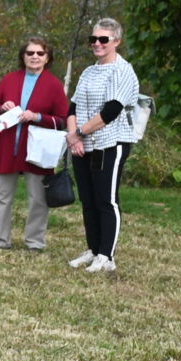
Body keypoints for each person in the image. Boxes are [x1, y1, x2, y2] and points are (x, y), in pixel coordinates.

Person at [67, 19, 141, 273]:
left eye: (103, 39)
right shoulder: (88, 72)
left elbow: (112, 110)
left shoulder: (122, 71)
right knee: (87, 199)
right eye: (93, 39)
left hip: (111, 142)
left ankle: (106, 256)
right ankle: (93, 248)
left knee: (106, 200)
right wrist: (74, 136)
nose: (97, 44)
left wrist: (79, 132)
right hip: (83, 143)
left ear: (116, 42)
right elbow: (73, 106)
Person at [0, 35, 68, 251]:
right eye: (30, 53)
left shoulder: (54, 85)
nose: (34, 57)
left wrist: (38, 117)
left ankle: (35, 242)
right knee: (2, 196)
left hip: (38, 150)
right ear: (23, 56)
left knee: (38, 198)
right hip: (7, 147)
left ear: (47, 57)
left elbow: (62, 120)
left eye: (39, 53)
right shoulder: (10, 79)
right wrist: (2, 107)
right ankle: (1, 240)